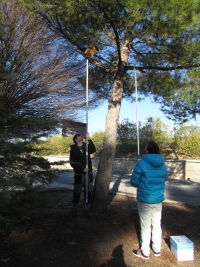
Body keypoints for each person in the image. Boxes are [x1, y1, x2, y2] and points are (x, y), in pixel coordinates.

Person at [130, 141, 167, 260]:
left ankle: (145, 252)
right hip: (158, 199)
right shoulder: (163, 165)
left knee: (146, 226)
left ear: (147, 150)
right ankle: (157, 250)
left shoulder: (141, 164)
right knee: (157, 225)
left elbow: (134, 182)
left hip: (145, 199)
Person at [69, 132, 96, 219]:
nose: (81, 136)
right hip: (79, 175)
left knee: (88, 194)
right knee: (77, 193)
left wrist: (89, 139)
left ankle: (86, 211)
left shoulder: (86, 146)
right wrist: (81, 169)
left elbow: (93, 149)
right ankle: (74, 212)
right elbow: (72, 163)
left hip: (89, 174)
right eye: (79, 136)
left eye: (81, 135)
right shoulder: (73, 149)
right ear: (76, 139)